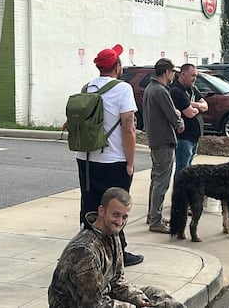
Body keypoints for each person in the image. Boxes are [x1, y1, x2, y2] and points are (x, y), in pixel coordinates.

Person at [48, 187, 185, 308]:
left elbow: (117, 282)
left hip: (103, 298)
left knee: (157, 296)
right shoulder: (84, 250)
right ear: (101, 211)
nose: (120, 222)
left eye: (124, 217)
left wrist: (139, 299)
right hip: (80, 305)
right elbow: (93, 304)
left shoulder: (112, 234)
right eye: (115, 215)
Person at [76, 44, 143, 267]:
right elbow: (128, 127)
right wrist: (131, 162)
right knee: (117, 209)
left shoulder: (87, 88)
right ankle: (118, 254)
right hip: (113, 161)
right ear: (118, 67)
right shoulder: (123, 89)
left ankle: (85, 253)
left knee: (91, 205)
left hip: (86, 158)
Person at [142, 58, 184, 234]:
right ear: (167, 72)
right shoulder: (161, 91)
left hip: (154, 139)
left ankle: (153, 215)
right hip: (164, 140)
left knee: (156, 178)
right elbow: (174, 117)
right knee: (162, 181)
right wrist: (179, 118)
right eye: (173, 72)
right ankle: (155, 220)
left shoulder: (150, 89)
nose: (174, 75)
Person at [169, 63, 207, 185]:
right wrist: (195, 107)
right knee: (182, 170)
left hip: (194, 137)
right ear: (183, 74)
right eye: (192, 75)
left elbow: (205, 106)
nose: (194, 78)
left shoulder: (192, 89)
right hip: (184, 138)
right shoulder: (176, 90)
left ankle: (185, 195)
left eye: (196, 75)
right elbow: (190, 113)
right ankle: (179, 197)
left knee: (189, 170)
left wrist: (194, 104)